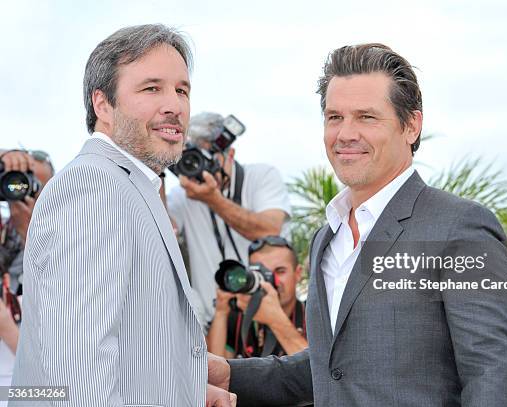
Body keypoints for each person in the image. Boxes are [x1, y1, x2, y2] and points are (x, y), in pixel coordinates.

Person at [210, 43, 507, 406]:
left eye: (366, 117)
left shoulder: (459, 227)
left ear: (411, 126)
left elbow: (491, 374)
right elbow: (334, 369)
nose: (345, 134)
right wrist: (228, 373)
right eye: (334, 117)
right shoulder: (328, 236)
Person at [10, 25, 235, 406]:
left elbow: (129, 350)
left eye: (182, 90)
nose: (174, 105)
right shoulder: (93, 188)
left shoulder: (128, 186)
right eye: (152, 88)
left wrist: (184, 391)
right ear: (103, 105)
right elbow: (77, 375)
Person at [167, 112, 291, 331]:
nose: (202, 168)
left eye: (208, 159)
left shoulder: (261, 177)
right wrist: (156, 171)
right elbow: (160, 229)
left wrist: (213, 199)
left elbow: (270, 230)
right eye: (195, 159)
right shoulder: (183, 194)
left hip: (268, 319)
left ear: (230, 154)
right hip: (215, 326)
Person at [0, 149, 54, 397]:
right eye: (14, 181)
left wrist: (30, 234)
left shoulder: (65, 235)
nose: (22, 193)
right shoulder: (4, 234)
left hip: (38, 385)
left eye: (34, 186)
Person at [208, 236, 307, 358]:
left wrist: (274, 319)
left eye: (280, 271)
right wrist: (221, 312)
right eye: (262, 273)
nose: (269, 281)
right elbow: (215, 369)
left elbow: (320, 370)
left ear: (298, 274)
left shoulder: (316, 315)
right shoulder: (239, 316)